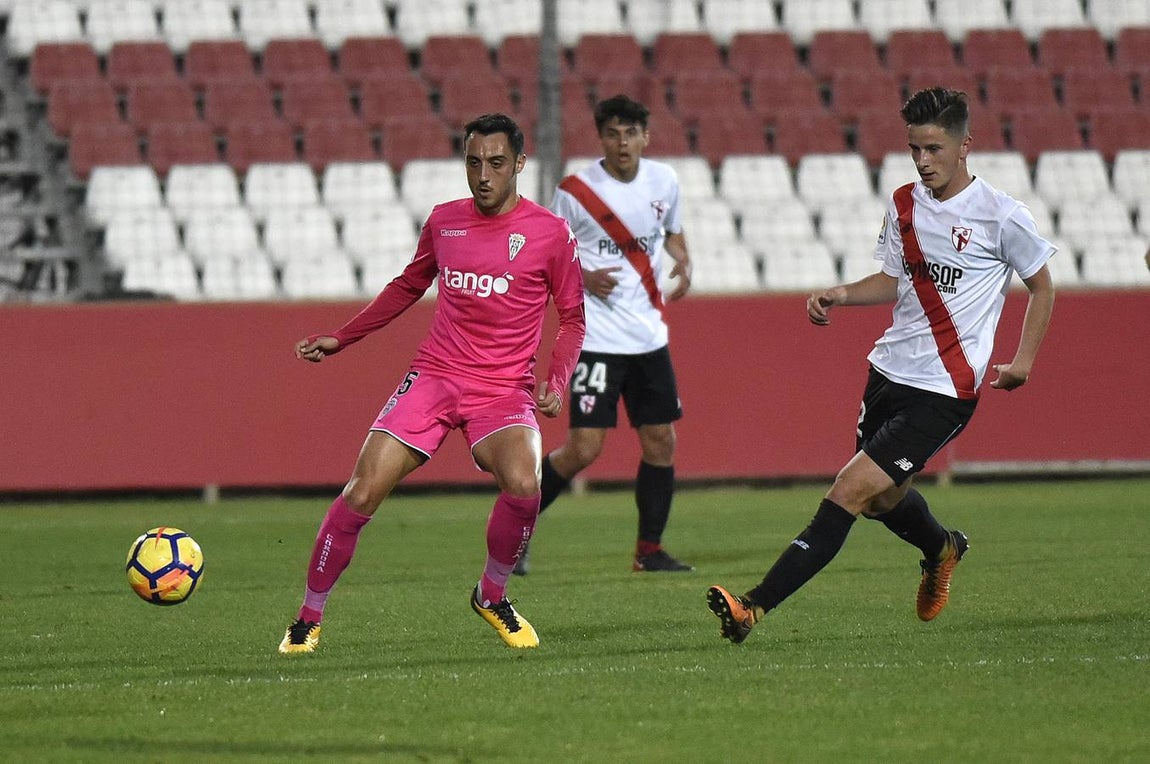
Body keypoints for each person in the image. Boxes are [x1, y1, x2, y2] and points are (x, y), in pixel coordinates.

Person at [707, 87, 1056, 643]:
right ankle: (942, 548)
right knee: (882, 500)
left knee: (848, 490)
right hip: (889, 372)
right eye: (914, 148)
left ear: (965, 146)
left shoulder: (1001, 215)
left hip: (945, 388)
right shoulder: (903, 204)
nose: (922, 160)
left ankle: (752, 607)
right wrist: (842, 293)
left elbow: (1041, 285)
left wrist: (1023, 361)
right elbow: (895, 279)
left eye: (934, 148)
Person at [277, 113, 585, 653]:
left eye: (495, 163)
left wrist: (557, 379)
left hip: (503, 389)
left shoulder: (550, 234)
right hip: (436, 377)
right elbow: (406, 286)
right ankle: (307, 619)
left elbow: (574, 318)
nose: (483, 175)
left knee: (525, 482)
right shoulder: (445, 222)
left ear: (518, 164)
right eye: (472, 163)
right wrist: (342, 338)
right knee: (363, 490)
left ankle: (492, 594)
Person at [515, 94, 694, 575]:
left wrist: (684, 257)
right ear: (601, 138)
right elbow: (546, 256)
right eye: (613, 133)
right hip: (596, 340)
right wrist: (583, 278)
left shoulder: (665, 181)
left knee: (661, 442)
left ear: (645, 137)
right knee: (583, 450)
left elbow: (672, 231)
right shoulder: (575, 191)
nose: (623, 143)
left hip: (648, 338)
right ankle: (514, 535)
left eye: (631, 133)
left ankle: (649, 551)